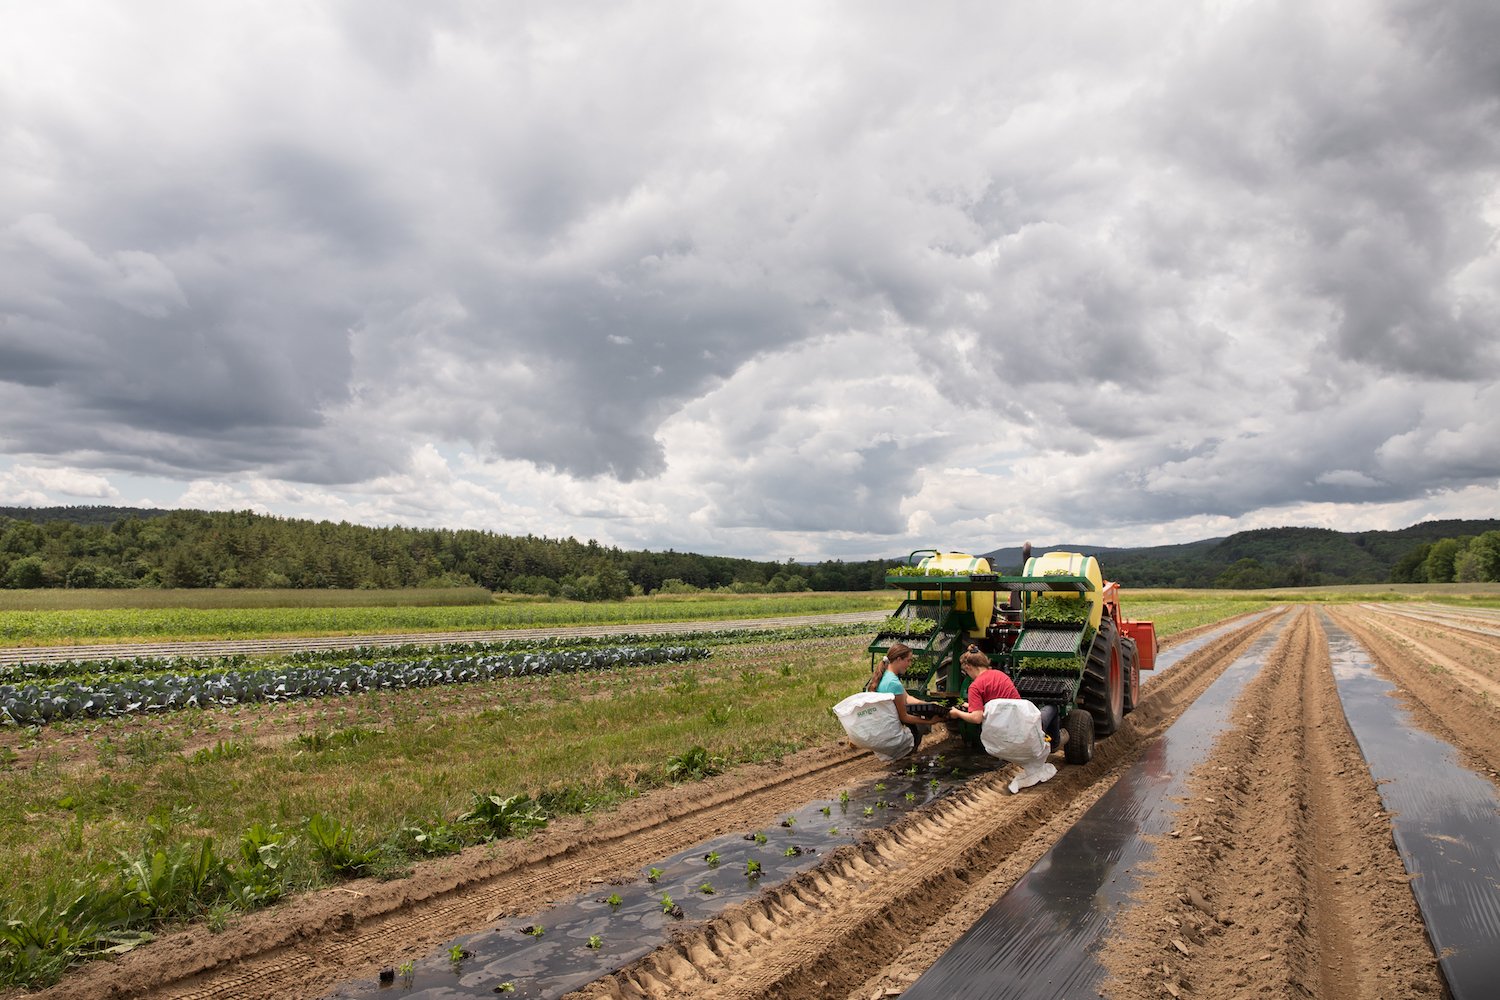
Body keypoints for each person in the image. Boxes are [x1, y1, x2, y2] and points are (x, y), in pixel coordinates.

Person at [946, 645, 1066, 752]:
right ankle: (1054, 744)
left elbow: (977, 718)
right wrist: (972, 706)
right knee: (1052, 707)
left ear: (968, 667)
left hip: (1005, 733)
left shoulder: (975, 686)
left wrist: (957, 713)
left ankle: (1050, 743)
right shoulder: (1000, 675)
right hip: (1025, 726)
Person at [867, 642, 945, 750]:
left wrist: (929, 704)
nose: (909, 664)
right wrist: (929, 721)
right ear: (899, 659)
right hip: (892, 733)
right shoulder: (894, 683)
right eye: (908, 660)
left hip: (882, 727)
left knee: (919, 707)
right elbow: (904, 717)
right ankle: (908, 751)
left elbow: (907, 697)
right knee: (920, 722)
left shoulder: (885, 675)